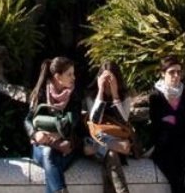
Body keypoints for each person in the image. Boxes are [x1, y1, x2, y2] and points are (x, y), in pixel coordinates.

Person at [27, 56, 84, 193]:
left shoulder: (74, 96)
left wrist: (59, 135)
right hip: (41, 145)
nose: (73, 77)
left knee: (51, 163)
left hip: (67, 146)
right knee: (49, 154)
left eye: (73, 73)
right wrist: (35, 133)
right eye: (69, 74)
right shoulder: (40, 93)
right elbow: (27, 120)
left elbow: (74, 122)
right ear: (58, 77)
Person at [149, 56, 185, 193]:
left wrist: (172, 119)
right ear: (163, 73)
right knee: (177, 183)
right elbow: (157, 123)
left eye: (178, 72)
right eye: (171, 72)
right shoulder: (156, 96)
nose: (176, 76)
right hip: (165, 146)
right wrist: (181, 119)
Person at [87, 62, 135, 193]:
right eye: (105, 80)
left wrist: (115, 95)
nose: (108, 83)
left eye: (111, 80)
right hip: (99, 140)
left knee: (111, 155)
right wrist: (101, 92)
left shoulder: (124, 97)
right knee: (111, 154)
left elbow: (123, 121)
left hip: (115, 141)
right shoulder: (91, 96)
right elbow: (94, 121)